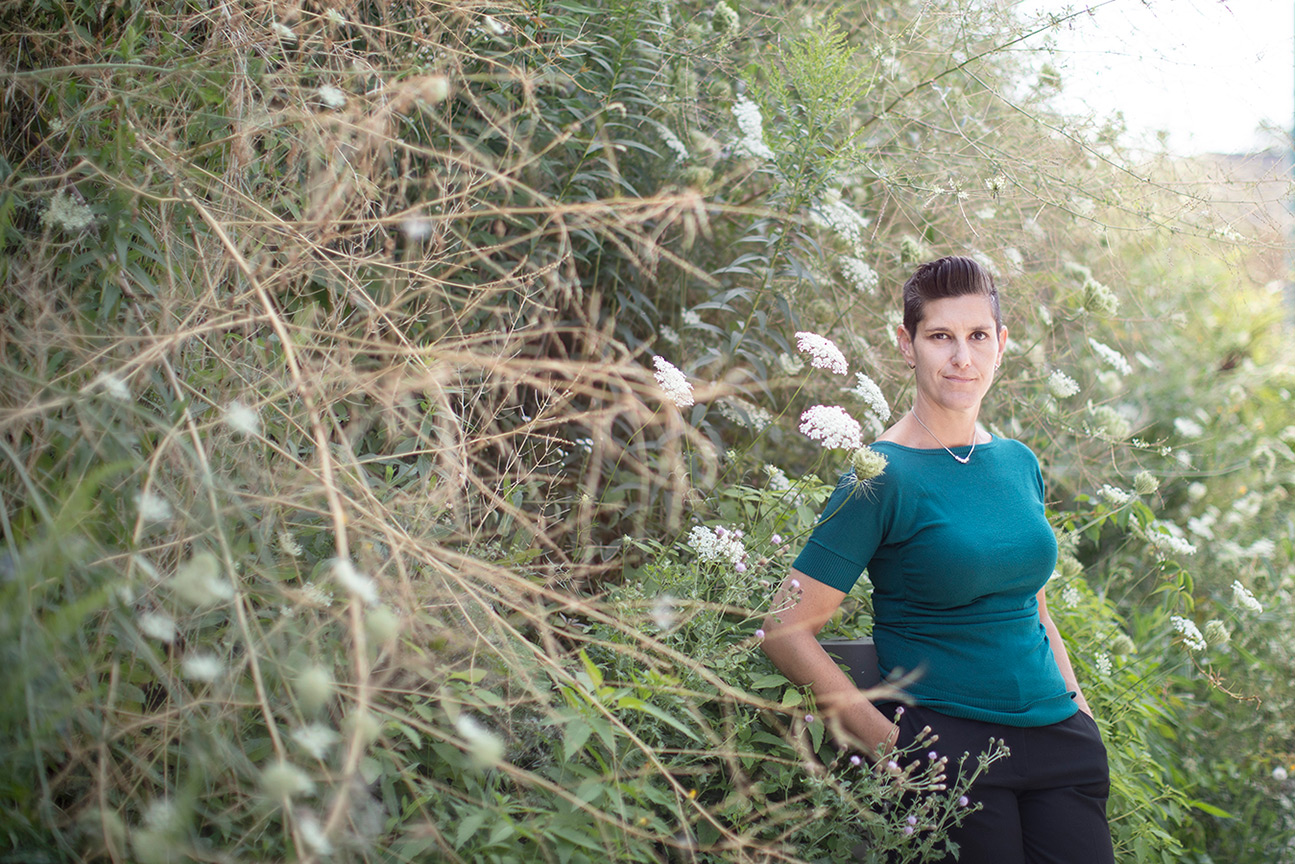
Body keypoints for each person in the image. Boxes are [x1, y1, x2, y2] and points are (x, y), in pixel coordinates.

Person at [761, 256, 1114, 864]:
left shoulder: (1018, 462)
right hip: (950, 750)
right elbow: (784, 631)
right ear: (907, 344)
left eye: (978, 336)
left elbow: (1033, 608)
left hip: (1061, 742)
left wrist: (1080, 709)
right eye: (940, 337)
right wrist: (891, 747)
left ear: (1001, 345)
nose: (962, 358)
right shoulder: (879, 476)